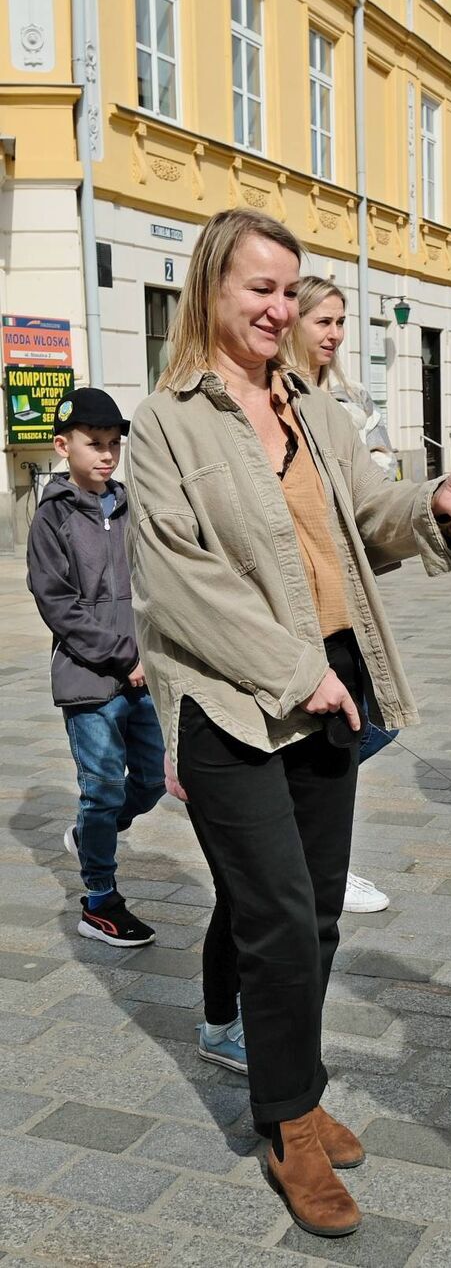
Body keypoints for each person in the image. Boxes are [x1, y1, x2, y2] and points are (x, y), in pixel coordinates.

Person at [125, 207, 451, 1237]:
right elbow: (182, 587)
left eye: (286, 288)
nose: (276, 306)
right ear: (213, 286)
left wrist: (442, 504)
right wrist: (293, 668)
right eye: (258, 287)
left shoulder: (313, 407)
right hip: (234, 703)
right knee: (274, 920)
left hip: (333, 686)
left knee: (318, 918)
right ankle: (287, 1122)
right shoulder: (166, 420)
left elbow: (371, 518)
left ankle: (296, 1087)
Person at [26, 388, 166, 948]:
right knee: (104, 786)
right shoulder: (53, 517)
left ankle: (90, 833)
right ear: (64, 446)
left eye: (114, 444)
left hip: (145, 676)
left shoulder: (132, 505)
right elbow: (58, 603)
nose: (107, 454)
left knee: (154, 781)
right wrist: (122, 655)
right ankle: (100, 901)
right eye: (94, 443)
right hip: (90, 680)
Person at [284, 275, 398, 915]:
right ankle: (319, 859)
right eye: (322, 321)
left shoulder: (343, 402)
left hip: (351, 599)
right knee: (339, 732)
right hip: (300, 611)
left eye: (340, 321)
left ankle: (322, 854)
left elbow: (371, 500)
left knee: (369, 721)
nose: (333, 334)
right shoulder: (276, 404)